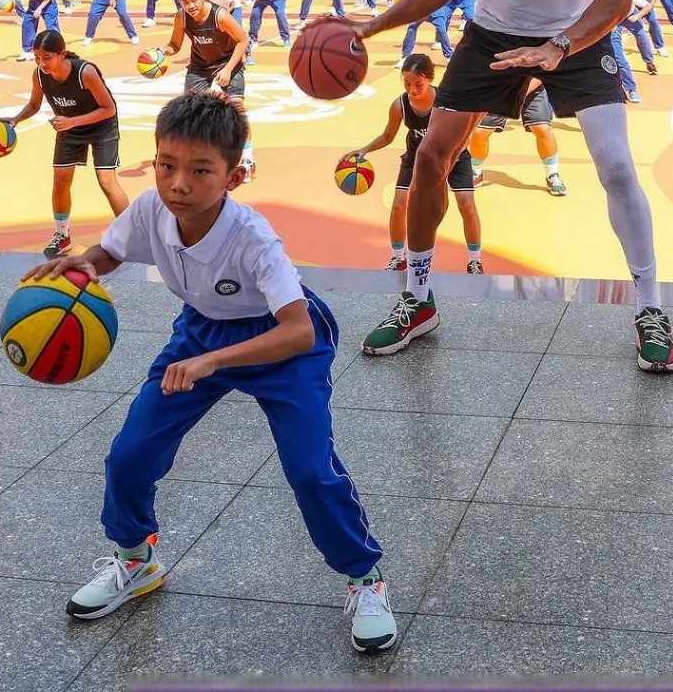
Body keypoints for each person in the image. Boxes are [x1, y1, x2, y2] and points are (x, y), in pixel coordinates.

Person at [20, 92, 396, 652]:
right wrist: (85, 265)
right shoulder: (152, 209)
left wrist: (213, 361)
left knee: (311, 470)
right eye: (167, 166)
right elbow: (112, 250)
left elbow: (300, 330)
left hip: (282, 344)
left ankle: (366, 579)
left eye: (200, 171)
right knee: (129, 455)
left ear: (234, 176)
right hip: (202, 332)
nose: (179, 183)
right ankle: (136, 560)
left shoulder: (252, 238)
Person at [348, 0, 673, 370]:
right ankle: (418, 298)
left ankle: (650, 307)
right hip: (495, 35)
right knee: (431, 156)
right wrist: (374, 25)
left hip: (574, 34)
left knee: (617, 166)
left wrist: (558, 47)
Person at [343, 53, 483, 275]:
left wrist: (446, 162)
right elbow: (387, 136)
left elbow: (465, 134)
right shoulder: (399, 105)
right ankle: (398, 257)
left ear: (429, 78)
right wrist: (364, 149)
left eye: (419, 84)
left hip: (454, 154)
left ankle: (475, 260)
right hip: (416, 157)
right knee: (399, 205)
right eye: (407, 83)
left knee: (466, 205)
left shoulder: (445, 100)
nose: (413, 89)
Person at [7, 30, 128, 258]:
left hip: (101, 125)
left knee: (106, 182)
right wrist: (14, 120)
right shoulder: (40, 75)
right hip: (70, 127)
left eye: (47, 57)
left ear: (62, 54)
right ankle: (62, 235)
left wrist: (72, 121)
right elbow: (33, 104)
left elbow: (109, 108)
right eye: (37, 57)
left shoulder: (85, 72)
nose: (41, 63)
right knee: (60, 184)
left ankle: (133, 232)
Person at [160, 0, 254, 178]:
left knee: (237, 111)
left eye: (194, 0)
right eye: (185, 2)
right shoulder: (182, 17)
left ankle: (247, 158)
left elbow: (242, 40)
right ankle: (198, 155)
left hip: (228, 62)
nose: (190, 6)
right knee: (190, 112)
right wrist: (160, 53)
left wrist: (228, 69)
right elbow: (174, 45)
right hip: (200, 66)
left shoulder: (220, 16)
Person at [470, 82, 567, 198]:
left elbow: (541, 72)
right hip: (501, 89)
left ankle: (553, 175)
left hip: (532, 88)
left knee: (543, 130)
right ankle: (475, 172)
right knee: (480, 132)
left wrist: (519, 94)